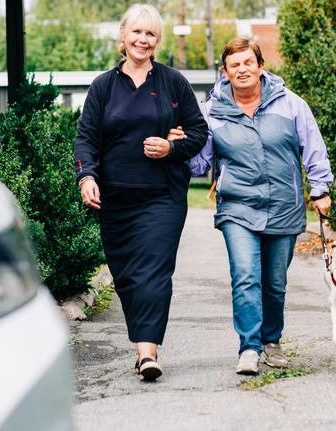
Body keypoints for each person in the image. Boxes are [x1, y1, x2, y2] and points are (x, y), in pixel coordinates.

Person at [73, 4, 208, 381]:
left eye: (150, 34)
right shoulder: (103, 86)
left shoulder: (172, 83)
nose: (143, 40)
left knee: (153, 270)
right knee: (127, 275)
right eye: (136, 32)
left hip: (162, 196)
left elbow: (198, 132)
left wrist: (171, 148)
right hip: (115, 198)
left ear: (157, 41)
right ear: (122, 36)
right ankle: (143, 345)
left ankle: (148, 352)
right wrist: (87, 178)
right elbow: (86, 139)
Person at [188, 37, 334, 375]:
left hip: (284, 205)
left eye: (247, 63)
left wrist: (320, 187)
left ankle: (272, 340)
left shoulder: (291, 105)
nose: (242, 70)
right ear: (225, 72)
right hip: (237, 207)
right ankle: (249, 348)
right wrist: (178, 147)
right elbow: (199, 164)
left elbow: (313, 146)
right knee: (245, 275)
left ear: (260, 66)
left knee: (274, 282)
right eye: (234, 65)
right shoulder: (211, 112)